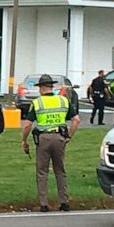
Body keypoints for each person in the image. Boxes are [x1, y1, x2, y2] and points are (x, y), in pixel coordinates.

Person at [21, 74, 80, 212]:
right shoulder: (63, 100)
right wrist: (69, 136)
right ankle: (64, 202)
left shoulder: (37, 103)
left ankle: (43, 204)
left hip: (43, 139)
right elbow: (76, 120)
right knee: (60, 170)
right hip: (60, 137)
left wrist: (24, 140)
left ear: (41, 88)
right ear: (52, 87)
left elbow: (28, 125)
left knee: (42, 171)